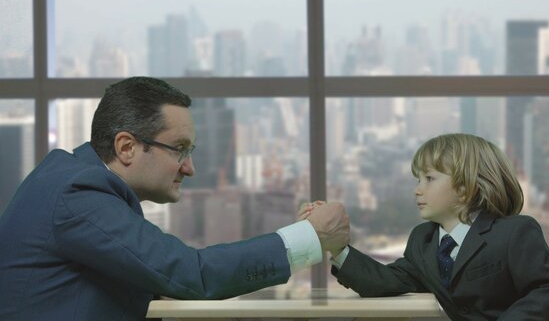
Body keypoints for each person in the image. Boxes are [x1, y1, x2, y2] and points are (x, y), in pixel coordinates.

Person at [0, 76, 350, 321]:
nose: (190, 168)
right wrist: (311, 238)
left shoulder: (71, 180)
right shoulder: (77, 194)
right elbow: (192, 273)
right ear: (126, 147)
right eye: (180, 150)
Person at [300, 133, 549, 320]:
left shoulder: (515, 232)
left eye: (429, 179)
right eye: (417, 180)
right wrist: (336, 246)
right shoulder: (423, 241)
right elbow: (384, 281)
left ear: (465, 188)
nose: (417, 191)